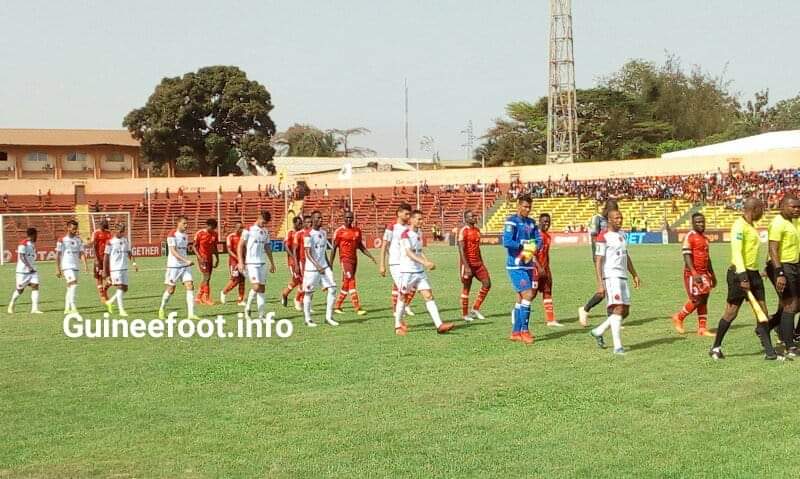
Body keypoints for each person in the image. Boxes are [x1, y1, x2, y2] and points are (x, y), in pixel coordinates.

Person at [709, 198, 783, 360]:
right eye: (762, 210)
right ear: (754, 209)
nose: (763, 213)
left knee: (762, 313)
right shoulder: (738, 226)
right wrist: (743, 277)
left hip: (753, 274)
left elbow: (750, 252)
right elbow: (737, 252)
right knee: (731, 313)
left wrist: (759, 271)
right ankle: (715, 347)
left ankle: (770, 352)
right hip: (738, 275)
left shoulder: (751, 226)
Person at [393, 210, 455, 336]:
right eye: (419, 219)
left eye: (422, 219)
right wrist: (425, 263)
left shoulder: (419, 233)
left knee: (429, 296)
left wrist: (426, 261)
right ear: (411, 220)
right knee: (403, 297)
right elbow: (409, 253)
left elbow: (419, 251)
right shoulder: (405, 234)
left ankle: (439, 325)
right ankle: (398, 325)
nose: (422, 221)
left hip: (419, 272)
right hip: (407, 272)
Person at [589, 209, 641, 355]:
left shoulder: (622, 235)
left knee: (625, 311)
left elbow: (626, 255)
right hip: (611, 277)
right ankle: (618, 347)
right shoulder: (603, 236)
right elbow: (598, 260)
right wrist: (600, 283)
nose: (620, 220)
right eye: (616, 218)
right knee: (617, 309)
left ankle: (598, 331)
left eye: (621, 217)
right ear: (609, 220)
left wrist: (634, 274)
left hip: (623, 276)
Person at [502, 195, 542, 344]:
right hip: (516, 265)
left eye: (529, 207)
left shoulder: (531, 223)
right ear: (518, 206)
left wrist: (534, 247)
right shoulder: (512, 221)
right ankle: (525, 330)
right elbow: (507, 241)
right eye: (524, 206)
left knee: (521, 298)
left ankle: (515, 332)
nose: (527, 209)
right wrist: (524, 244)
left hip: (528, 264)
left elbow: (538, 240)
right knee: (528, 294)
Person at [671, 213, 716, 336]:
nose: (701, 224)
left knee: (704, 299)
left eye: (702, 222)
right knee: (696, 300)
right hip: (692, 274)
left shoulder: (705, 239)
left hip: (704, 274)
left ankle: (702, 329)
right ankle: (679, 317)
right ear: (693, 223)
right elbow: (686, 255)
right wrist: (694, 272)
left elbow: (708, 258)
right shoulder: (690, 236)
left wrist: (712, 275)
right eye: (698, 222)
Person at [765, 194, 800, 352]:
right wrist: (779, 273)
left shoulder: (794, 222)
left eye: (798, 207)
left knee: (794, 304)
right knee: (790, 305)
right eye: (793, 207)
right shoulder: (777, 223)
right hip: (782, 265)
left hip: (794, 265)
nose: (796, 209)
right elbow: (772, 249)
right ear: (782, 206)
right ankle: (789, 345)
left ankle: (768, 328)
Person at [579, 199, 619, 327]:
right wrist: (600, 255)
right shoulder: (597, 219)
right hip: (600, 258)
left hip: (611, 258)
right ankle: (585, 309)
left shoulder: (612, 221)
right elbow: (594, 238)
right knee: (603, 290)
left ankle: (612, 319)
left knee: (610, 289)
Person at [331, 210, 376, 315]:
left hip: (354, 260)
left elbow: (360, 246)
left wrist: (370, 256)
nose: (348, 219)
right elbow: (333, 248)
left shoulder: (357, 231)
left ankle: (337, 306)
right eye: (347, 217)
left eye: (350, 218)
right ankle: (357, 308)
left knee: (346, 283)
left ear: (353, 218)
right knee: (351, 281)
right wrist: (331, 264)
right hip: (345, 260)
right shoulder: (339, 231)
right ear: (343, 218)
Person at [237, 211, 277, 320]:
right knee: (256, 286)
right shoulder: (248, 230)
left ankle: (261, 315)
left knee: (262, 289)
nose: (264, 225)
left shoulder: (265, 231)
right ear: (259, 217)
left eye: (266, 223)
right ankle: (248, 307)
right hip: (251, 263)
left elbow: (267, 247)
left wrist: (272, 263)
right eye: (263, 222)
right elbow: (240, 246)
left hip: (262, 262)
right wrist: (240, 261)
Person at [158, 216, 199, 320]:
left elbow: (183, 251)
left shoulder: (185, 235)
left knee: (190, 285)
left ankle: (191, 314)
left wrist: (186, 261)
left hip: (185, 266)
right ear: (178, 224)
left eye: (187, 223)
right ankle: (162, 308)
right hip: (174, 266)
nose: (186, 225)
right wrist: (186, 260)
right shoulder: (172, 235)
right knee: (171, 290)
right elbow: (173, 251)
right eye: (184, 223)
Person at [302, 211, 338, 327]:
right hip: (312, 269)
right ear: (312, 220)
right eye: (318, 218)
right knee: (309, 293)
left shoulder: (323, 232)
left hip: (324, 267)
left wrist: (328, 265)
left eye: (321, 218)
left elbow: (323, 252)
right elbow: (307, 253)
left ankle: (328, 317)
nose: (321, 220)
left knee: (332, 289)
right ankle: (308, 319)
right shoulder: (308, 234)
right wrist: (317, 266)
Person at [379, 203, 416, 316]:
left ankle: (404, 306)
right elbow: (384, 245)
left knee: (413, 284)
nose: (408, 216)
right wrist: (382, 264)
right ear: (399, 213)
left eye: (410, 214)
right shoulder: (392, 227)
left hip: (407, 262)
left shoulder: (409, 228)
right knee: (402, 286)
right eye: (406, 214)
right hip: (395, 262)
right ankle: (397, 311)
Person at [457, 210, 491, 322]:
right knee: (467, 287)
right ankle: (465, 314)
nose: (474, 218)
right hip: (467, 264)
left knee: (487, 283)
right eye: (472, 216)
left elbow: (477, 248)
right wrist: (466, 267)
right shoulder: (463, 230)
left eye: (475, 216)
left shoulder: (477, 230)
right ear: (466, 219)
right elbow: (461, 249)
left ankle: (475, 309)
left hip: (478, 264)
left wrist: (481, 261)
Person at [103, 223, 137, 316]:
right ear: (116, 230)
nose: (122, 233)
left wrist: (134, 263)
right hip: (115, 269)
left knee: (125, 289)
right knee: (120, 287)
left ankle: (110, 302)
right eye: (121, 231)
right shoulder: (110, 242)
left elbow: (129, 252)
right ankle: (121, 311)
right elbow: (106, 257)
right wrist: (105, 272)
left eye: (123, 231)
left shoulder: (126, 240)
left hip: (124, 268)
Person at [56, 220, 88, 315]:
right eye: (73, 228)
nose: (75, 230)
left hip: (76, 266)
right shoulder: (62, 240)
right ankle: (73, 306)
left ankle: (67, 308)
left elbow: (81, 253)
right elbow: (58, 255)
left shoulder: (78, 240)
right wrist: (57, 268)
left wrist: (85, 265)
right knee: (73, 284)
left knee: (70, 287)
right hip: (66, 266)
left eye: (76, 228)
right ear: (68, 228)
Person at [7, 228, 43, 314]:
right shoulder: (23, 244)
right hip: (22, 272)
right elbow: (21, 257)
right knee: (20, 290)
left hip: (33, 271)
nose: (37, 236)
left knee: (35, 286)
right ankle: (12, 303)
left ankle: (34, 309)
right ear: (33, 235)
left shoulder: (33, 244)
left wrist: (32, 266)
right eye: (36, 234)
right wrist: (29, 266)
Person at [536, 213, 562, 327]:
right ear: (539, 222)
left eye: (548, 221)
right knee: (529, 295)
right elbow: (531, 254)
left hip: (545, 269)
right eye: (544, 221)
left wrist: (546, 268)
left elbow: (545, 254)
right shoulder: (536, 236)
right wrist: (539, 267)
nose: (546, 223)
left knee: (547, 291)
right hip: (535, 270)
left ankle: (550, 320)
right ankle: (517, 313)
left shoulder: (547, 236)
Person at [193, 219, 220, 305]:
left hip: (210, 258)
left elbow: (215, 247)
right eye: (212, 227)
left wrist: (217, 258)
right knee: (206, 276)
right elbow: (194, 246)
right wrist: (199, 257)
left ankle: (198, 297)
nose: (213, 229)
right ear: (208, 225)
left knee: (207, 278)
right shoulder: (200, 233)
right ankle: (206, 298)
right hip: (202, 258)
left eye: (214, 228)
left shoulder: (215, 234)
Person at [280, 216, 304, 310]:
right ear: (294, 224)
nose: (300, 225)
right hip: (293, 262)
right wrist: (294, 258)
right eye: (299, 223)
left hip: (302, 261)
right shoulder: (290, 233)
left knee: (299, 281)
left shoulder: (302, 233)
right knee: (300, 280)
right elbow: (286, 246)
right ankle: (297, 300)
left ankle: (286, 294)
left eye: (301, 223)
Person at [220, 220, 246, 306]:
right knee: (235, 280)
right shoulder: (230, 237)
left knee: (242, 280)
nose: (242, 229)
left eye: (242, 227)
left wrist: (245, 260)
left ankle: (241, 300)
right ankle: (224, 292)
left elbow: (245, 249)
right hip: (233, 262)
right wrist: (238, 259)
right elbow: (229, 250)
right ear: (236, 228)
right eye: (240, 228)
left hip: (242, 261)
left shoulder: (243, 237)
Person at [88, 219, 112, 304]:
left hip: (108, 259)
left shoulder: (109, 233)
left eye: (104, 225)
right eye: (101, 225)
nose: (102, 226)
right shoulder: (96, 233)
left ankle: (105, 291)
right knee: (99, 277)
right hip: (99, 259)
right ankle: (102, 295)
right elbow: (93, 246)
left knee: (111, 279)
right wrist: (96, 259)